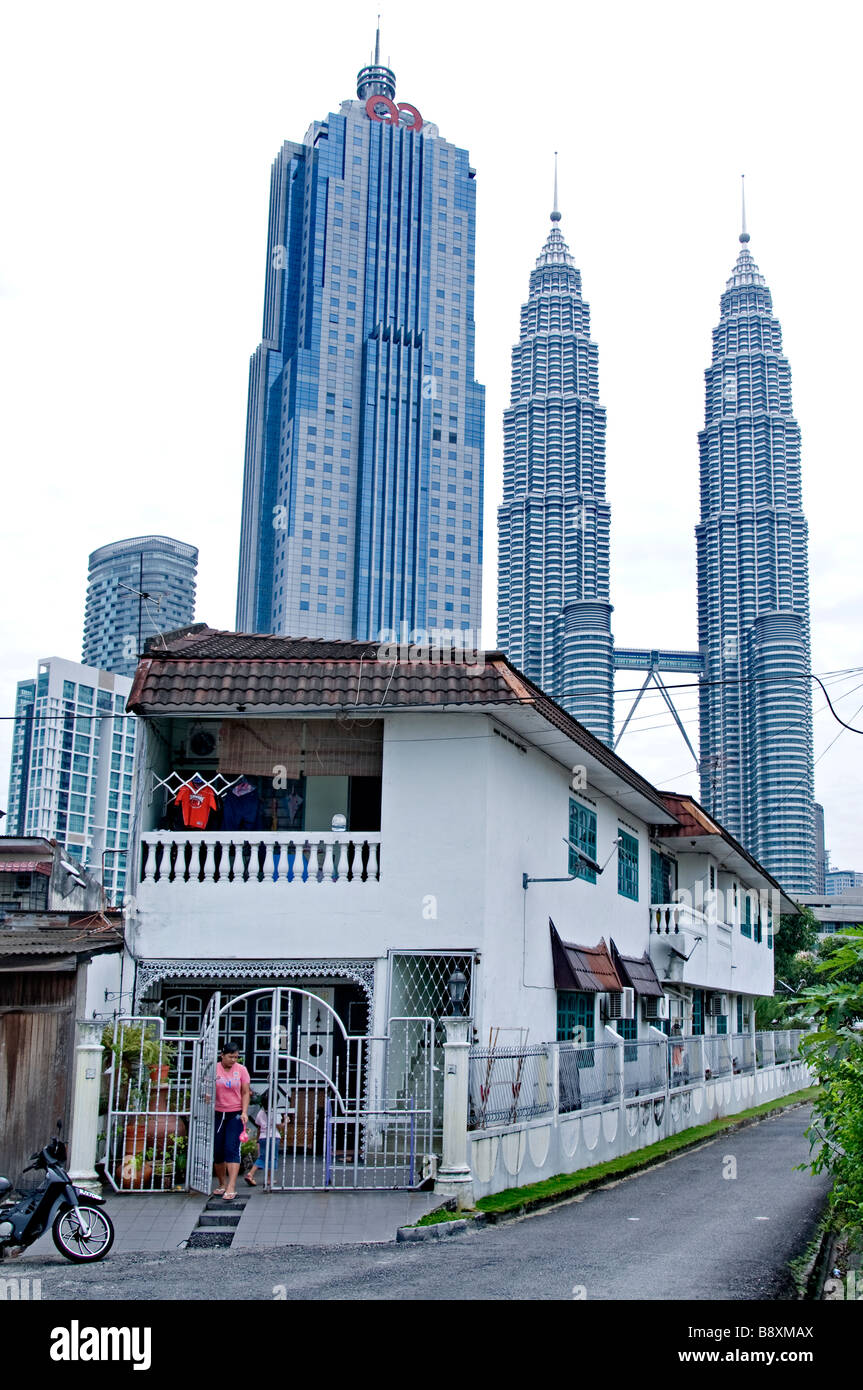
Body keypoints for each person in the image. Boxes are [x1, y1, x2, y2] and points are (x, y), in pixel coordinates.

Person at [212, 1041, 250, 1201]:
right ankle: (222, 1183)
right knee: (218, 1151)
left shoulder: (241, 1070)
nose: (234, 1060)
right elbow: (207, 1087)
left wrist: (244, 1112)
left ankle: (231, 1186)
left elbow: (246, 1092)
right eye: (230, 1057)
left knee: (231, 1148)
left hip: (235, 1114)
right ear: (222, 1055)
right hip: (218, 1113)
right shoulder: (214, 1069)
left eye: (236, 1057)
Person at [244, 1089, 284, 1187]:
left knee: (262, 1157)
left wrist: (257, 1140)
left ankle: (252, 1174)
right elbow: (279, 1126)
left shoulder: (260, 1112)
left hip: (263, 1137)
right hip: (273, 1137)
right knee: (272, 1158)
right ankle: (267, 1178)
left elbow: (259, 1126)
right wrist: (286, 1121)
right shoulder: (275, 1111)